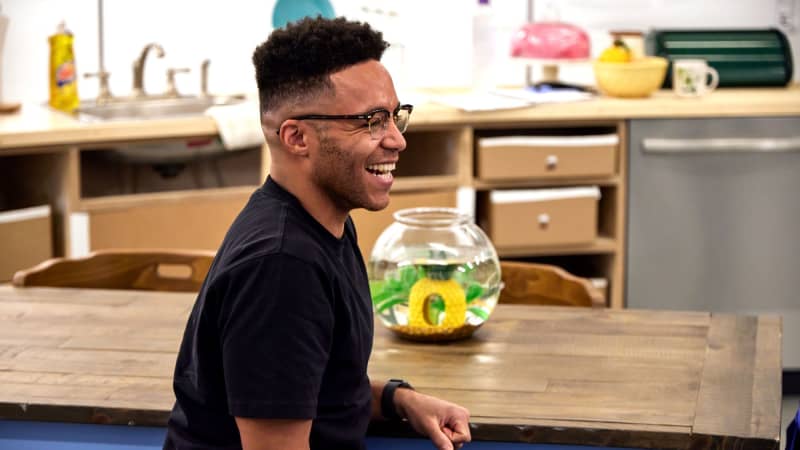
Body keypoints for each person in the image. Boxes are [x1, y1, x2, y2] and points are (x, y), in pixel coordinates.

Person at [163, 16, 471, 450]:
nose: (396, 140)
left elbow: (320, 390)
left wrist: (402, 400)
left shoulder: (322, 225)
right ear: (297, 138)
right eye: (370, 121)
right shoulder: (282, 267)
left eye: (394, 116)